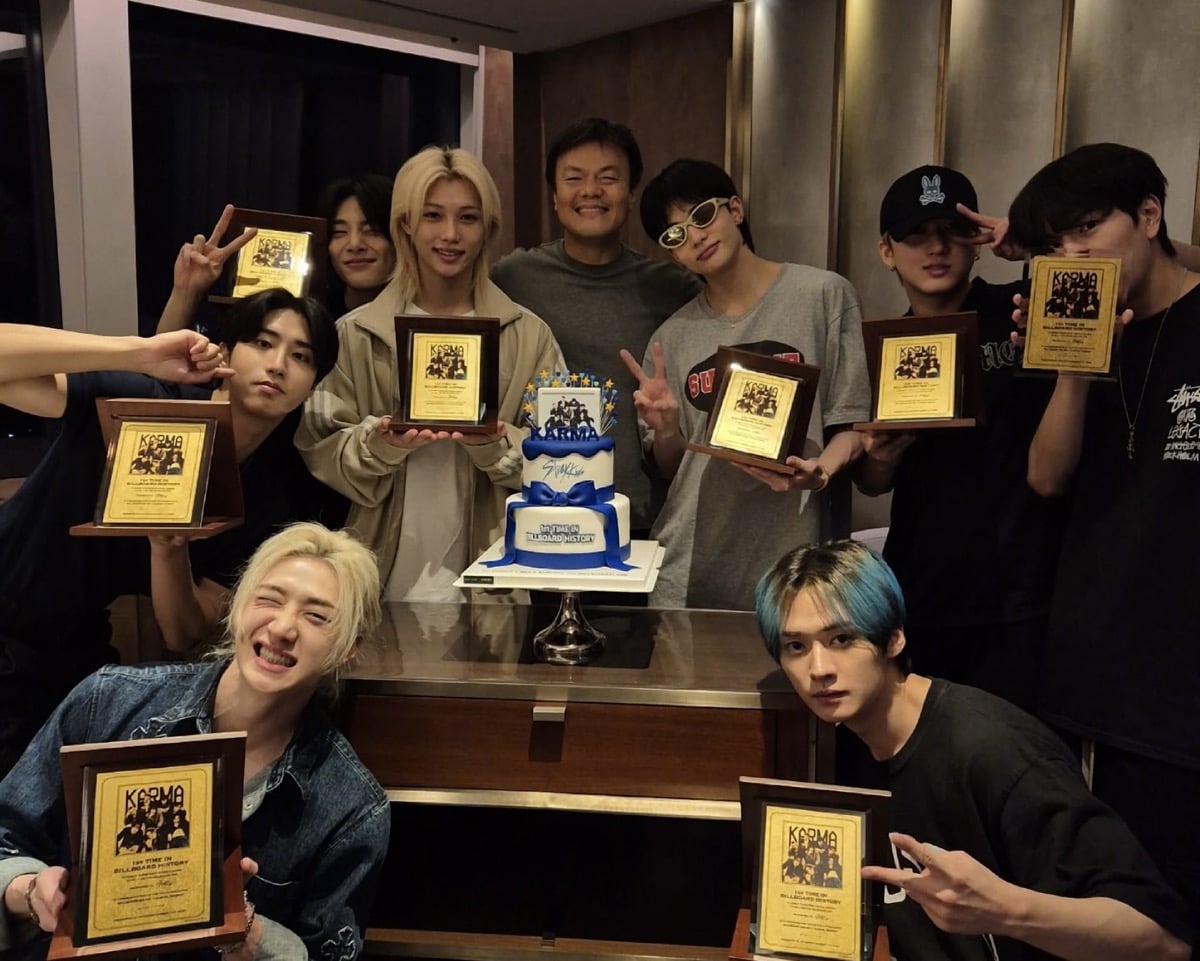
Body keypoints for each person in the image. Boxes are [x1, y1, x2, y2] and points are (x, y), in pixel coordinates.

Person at [754, 539, 1192, 961]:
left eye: (842, 639)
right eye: (796, 646)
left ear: (894, 639)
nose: (819, 669)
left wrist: (1005, 911)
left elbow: (1163, 940)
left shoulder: (993, 751)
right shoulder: (837, 741)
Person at [0, 522, 389, 961]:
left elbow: (328, 953)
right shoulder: (106, 701)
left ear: (349, 647)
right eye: (268, 599)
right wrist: (28, 890)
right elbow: (7, 832)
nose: (283, 627)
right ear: (238, 606)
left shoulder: (351, 808)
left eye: (316, 617)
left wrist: (251, 934)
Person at [0, 289, 342, 778]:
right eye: (263, 343)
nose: (278, 365)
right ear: (226, 352)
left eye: (301, 356)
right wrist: (137, 352)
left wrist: (168, 549)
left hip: (70, 640)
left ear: (313, 384)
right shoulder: (144, 403)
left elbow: (184, 631)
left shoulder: (274, 496)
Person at [1007, 142, 1200, 926]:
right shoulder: (1078, 332)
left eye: (1088, 229)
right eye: (1056, 244)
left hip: (1180, 682)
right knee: (1101, 907)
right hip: (1090, 671)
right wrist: (1072, 370)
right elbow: (1046, 478)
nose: (1072, 256)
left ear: (1149, 216)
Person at [297, 146, 561, 601]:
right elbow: (320, 443)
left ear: (487, 228)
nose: (450, 235)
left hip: (495, 579)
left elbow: (561, 459)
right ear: (405, 225)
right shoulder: (355, 335)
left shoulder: (529, 335)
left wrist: (495, 445)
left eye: (468, 218)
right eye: (433, 216)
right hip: (378, 575)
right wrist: (381, 442)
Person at [853, 165, 1068, 713]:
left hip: (1024, 592)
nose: (937, 248)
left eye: (953, 232)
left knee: (1020, 751)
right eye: (917, 235)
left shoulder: (1023, 309)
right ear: (886, 250)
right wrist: (880, 458)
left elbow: (1119, 280)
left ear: (977, 242)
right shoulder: (884, 348)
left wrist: (1035, 247)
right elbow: (872, 480)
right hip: (923, 590)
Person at [623, 158, 869, 610]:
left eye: (702, 215)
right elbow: (674, 468)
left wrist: (820, 472)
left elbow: (853, 426)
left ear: (735, 209)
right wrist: (667, 430)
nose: (695, 236)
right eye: (674, 235)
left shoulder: (823, 296)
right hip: (689, 571)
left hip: (798, 568)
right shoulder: (671, 338)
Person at [491, 118, 701, 535]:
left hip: (640, 517)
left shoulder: (672, 288)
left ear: (631, 194)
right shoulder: (512, 279)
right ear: (554, 197)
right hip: (538, 510)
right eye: (574, 178)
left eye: (608, 178)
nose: (590, 190)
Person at [318, 174, 398, 315]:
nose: (354, 245)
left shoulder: (420, 316)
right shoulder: (315, 317)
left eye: (371, 231)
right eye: (340, 232)